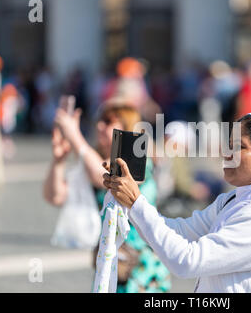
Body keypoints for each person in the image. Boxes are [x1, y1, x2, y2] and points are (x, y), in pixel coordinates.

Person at [103, 110, 251, 292]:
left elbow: (187, 262)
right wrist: (130, 201)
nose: (227, 153)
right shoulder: (231, 199)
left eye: (239, 146)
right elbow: (179, 230)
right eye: (229, 144)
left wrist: (136, 202)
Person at [43, 102, 171, 293]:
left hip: (141, 267)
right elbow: (55, 196)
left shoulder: (138, 161)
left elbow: (104, 175)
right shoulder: (94, 159)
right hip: (111, 262)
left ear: (126, 128)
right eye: (99, 121)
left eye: (108, 122)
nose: (99, 127)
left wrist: (75, 136)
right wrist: (58, 161)